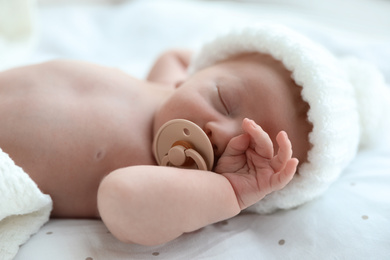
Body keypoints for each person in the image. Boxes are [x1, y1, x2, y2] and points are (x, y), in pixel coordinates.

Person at [1, 24, 388, 246]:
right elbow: (178, 56)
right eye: (222, 98)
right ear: (203, 70)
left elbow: (120, 200)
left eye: (251, 147)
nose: (220, 131)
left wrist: (230, 193)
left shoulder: (171, 179)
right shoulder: (171, 85)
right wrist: (201, 64)